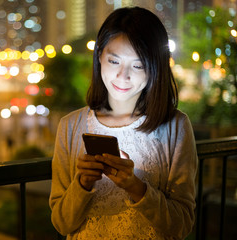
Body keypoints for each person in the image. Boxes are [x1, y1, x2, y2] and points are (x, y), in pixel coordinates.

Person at [49, 6, 198, 240]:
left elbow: (181, 224)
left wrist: (135, 187)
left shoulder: (175, 127)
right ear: (99, 57)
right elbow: (61, 223)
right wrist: (83, 183)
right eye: (114, 61)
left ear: (155, 69)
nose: (122, 76)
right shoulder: (70, 126)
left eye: (137, 65)